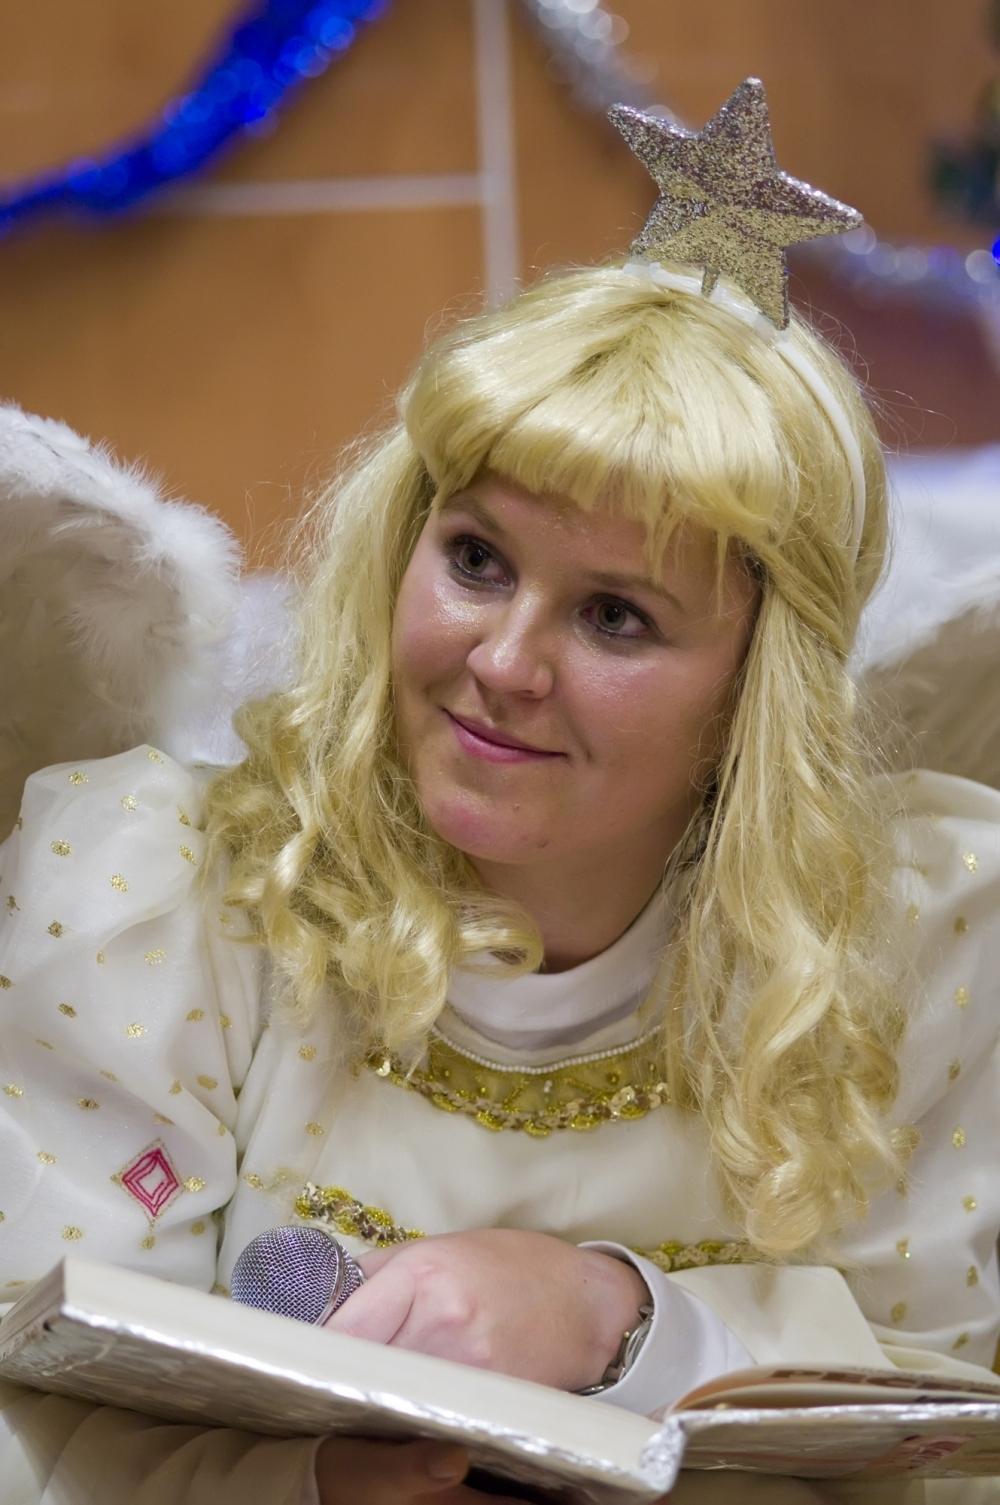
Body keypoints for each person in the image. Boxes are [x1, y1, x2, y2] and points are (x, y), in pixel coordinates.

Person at [1, 88, 999, 1505]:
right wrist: (312, 1489)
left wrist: (614, 1319)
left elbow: (943, 1429)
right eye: (476, 559)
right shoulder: (162, 893)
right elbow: (32, 1407)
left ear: (753, 689)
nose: (505, 663)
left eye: (615, 616)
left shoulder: (915, 936)